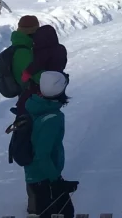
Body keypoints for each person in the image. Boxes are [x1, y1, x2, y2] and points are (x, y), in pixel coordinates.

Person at [24, 71, 78, 218]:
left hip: (37, 174)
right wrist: (56, 181)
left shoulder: (35, 104)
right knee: (65, 213)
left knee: (48, 212)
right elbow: (42, 154)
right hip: (44, 177)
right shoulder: (52, 119)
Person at [10, 16, 39, 114]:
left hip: (26, 95)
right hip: (29, 98)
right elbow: (36, 76)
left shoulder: (22, 46)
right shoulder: (23, 52)